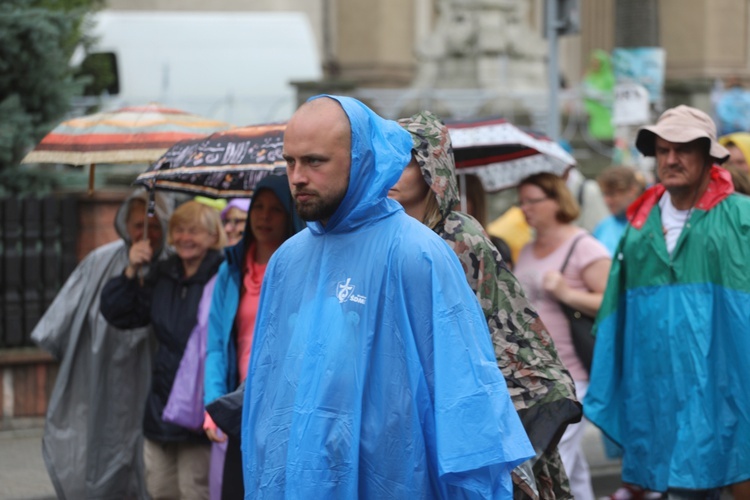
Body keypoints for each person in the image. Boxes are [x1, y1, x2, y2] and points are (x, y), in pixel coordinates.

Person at [241, 95, 534, 498]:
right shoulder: (287, 262)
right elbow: (267, 394)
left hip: (393, 479)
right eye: (290, 162)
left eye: (315, 161)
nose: (297, 177)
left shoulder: (419, 254)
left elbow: (464, 397)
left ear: (360, 157)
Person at [391, 111, 582, 499]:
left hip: (466, 402)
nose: (392, 170)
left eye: (407, 160)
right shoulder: (374, 237)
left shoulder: (460, 236)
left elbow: (498, 324)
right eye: (387, 158)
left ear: (431, 167)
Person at [584, 105, 750, 498]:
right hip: (663, 399)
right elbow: (617, 319)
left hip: (732, 393)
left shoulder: (741, 219)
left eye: (683, 149)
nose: (671, 159)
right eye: (662, 150)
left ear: (709, 155)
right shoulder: (639, 230)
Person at [30, 190, 172, 500]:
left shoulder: (176, 264)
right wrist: (130, 271)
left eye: (154, 224)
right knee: (100, 450)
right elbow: (60, 325)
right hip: (101, 378)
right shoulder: (99, 261)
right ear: (124, 224)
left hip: (156, 385)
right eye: (138, 224)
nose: (145, 233)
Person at [100, 200, 226, 500]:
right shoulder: (163, 274)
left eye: (194, 231)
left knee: (195, 491)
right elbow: (119, 313)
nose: (185, 238)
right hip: (161, 408)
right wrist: (131, 269)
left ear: (212, 236)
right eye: (180, 230)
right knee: (159, 490)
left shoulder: (223, 276)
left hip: (200, 409)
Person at [204, 174, 304, 499]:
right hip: (242, 403)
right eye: (258, 207)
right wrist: (212, 403)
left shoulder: (304, 268)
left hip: (286, 401)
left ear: (290, 213)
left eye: (275, 209)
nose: (263, 216)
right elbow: (216, 345)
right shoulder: (230, 270)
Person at [513, 172, 612, 500]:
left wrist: (567, 293)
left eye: (532, 200)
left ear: (556, 201)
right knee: (571, 464)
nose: (524, 208)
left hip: (572, 374)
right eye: (521, 201)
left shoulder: (583, 246)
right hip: (536, 374)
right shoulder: (527, 248)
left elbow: (612, 302)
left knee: (556, 460)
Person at [592, 166, 645, 255]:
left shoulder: (649, 224)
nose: (607, 201)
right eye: (604, 194)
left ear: (632, 190)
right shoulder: (602, 226)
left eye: (612, 194)